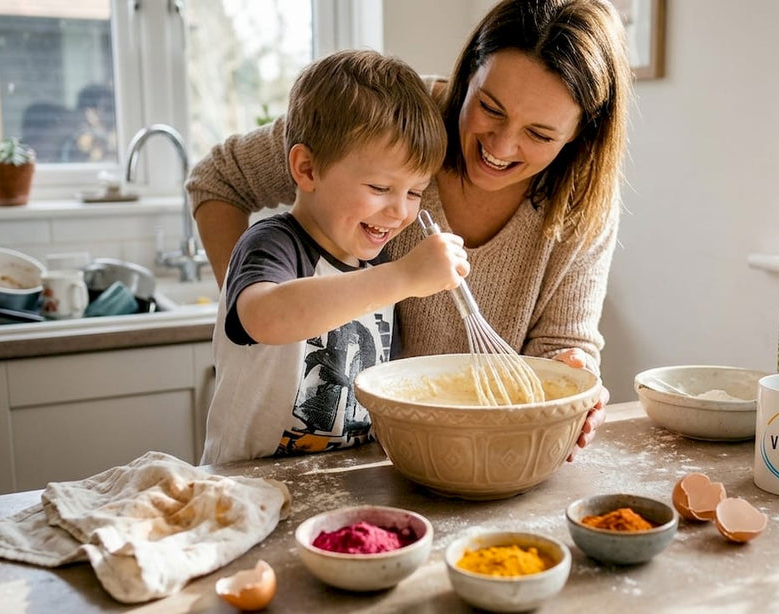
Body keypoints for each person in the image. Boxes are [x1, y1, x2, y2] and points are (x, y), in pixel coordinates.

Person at [187, 0, 632, 459]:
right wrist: (256, 318)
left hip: (424, 458)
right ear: (468, 76)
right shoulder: (395, 122)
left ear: (581, 132)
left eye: (540, 134)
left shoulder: (582, 196)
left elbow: (562, 343)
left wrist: (572, 374)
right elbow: (220, 179)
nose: (501, 145)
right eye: (490, 108)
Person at [200, 49, 468, 465]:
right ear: (307, 169)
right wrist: (403, 278)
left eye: (414, 192)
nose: (400, 211)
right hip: (246, 487)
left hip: (341, 481)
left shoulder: (376, 268)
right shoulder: (273, 244)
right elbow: (265, 316)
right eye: (379, 187)